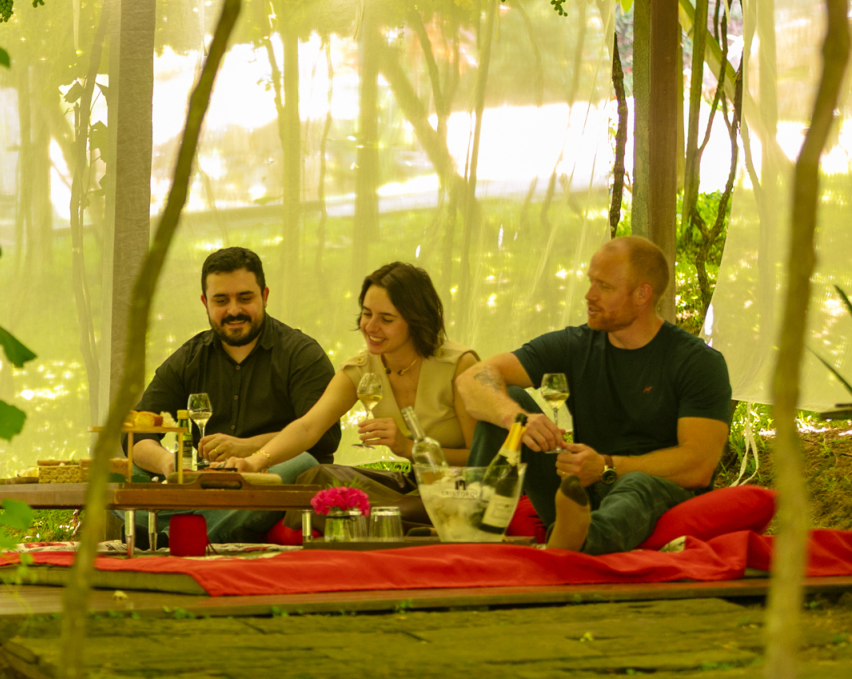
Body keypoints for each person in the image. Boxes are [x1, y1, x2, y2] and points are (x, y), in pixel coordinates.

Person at [456, 235, 733, 554]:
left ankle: (580, 545)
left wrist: (606, 466)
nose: (589, 295)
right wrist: (515, 417)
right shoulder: (575, 344)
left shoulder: (697, 362)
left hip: (655, 495)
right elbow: (471, 379)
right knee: (507, 406)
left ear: (642, 294)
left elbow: (699, 465)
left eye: (604, 286)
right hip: (580, 491)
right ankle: (469, 534)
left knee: (637, 483)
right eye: (591, 282)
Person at [222, 262, 479, 532]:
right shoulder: (362, 367)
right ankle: (394, 525)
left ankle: (402, 525)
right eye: (367, 314)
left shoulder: (459, 366)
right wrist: (255, 461)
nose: (370, 326)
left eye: (386, 319)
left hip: (461, 489)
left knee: (383, 509)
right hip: (414, 486)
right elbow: (308, 427)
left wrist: (407, 448)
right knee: (316, 479)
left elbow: (482, 460)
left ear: (416, 321)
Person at [128, 246, 341, 543]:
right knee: (125, 472)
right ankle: (199, 524)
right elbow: (137, 433)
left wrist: (246, 449)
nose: (233, 311)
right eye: (221, 301)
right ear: (205, 303)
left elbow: (324, 436)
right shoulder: (189, 358)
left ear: (264, 296)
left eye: (244, 298)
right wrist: (167, 463)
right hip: (203, 486)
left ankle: (175, 533)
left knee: (303, 464)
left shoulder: (301, 354)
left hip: (269, 480)